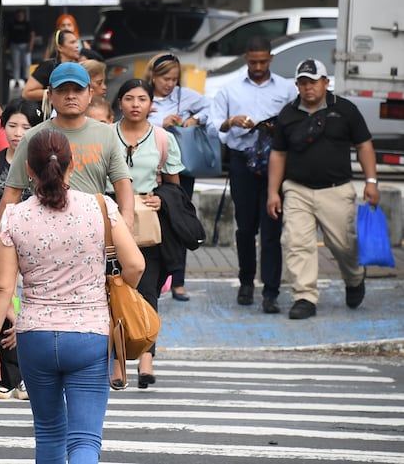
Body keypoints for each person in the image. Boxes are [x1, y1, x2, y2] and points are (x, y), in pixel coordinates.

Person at [0, 130, 144, 464]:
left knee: (50, 433)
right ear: (72, 166)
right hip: (89, 334)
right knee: (84, 439)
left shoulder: (14, 216)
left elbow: (3, 287)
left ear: (29, 169)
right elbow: (136, 265)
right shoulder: (100, 207)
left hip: (35, 336)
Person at [267, 59, 379, 320]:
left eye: (313, 82)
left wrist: (371, 182)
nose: (308, 88)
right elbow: (278, 154)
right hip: (297, 190)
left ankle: (354, 278)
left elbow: (364, 145)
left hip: (336, 190)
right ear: (297, 85)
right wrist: (273, 192)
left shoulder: (346, 110)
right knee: (297, 243)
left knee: (344, 245)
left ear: (326, 82)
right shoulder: (288, 114)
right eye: (303, 83)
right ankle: (304, 296)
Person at [209, 37, 296, 314]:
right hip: (242, 162)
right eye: (252, 61)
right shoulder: (229, 90)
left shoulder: (286, 89)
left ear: (270, 58)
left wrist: (276, 128)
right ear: (246, 58)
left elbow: (296, 122)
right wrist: (231, 121)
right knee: (245, 227)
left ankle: (271, 292)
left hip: (275, 163)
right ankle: (246, 282)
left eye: (262, 61)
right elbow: (213, 126)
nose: (258, 66)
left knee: (272, 229)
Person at [0, 62, 134, 234]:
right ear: (49, 95)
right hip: (42, 235)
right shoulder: (32, 137)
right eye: (62, 90)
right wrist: (1, 243)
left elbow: (122, 183)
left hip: (92, 234)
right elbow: (11, 194)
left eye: (78, 90)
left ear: (90, 94)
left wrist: (127, 223)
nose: (71, 96)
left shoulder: (106, 134)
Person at [113, 79, 184, 388]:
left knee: (148, 288)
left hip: (148, 221)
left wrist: (161, 198)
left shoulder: (162, 138)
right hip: (111, 216)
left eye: (142, 98)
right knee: (112, 288)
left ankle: (146, 358)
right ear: (120, 103)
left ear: (150, 104)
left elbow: (175, 187)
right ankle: (117, 361)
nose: (135, 104)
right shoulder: (106, 136)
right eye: (129, 98)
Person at [0, 97, 41, 400]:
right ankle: (7, 373)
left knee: (30, 305)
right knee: (2, 305)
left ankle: (29, 374)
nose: (18, 132)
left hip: (37, 246)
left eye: (26, 127)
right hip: (1, 243)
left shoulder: (40, 163)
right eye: (13, 125)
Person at [144, 52, 212, 301]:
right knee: (153, 226)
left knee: (179, 222)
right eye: (165, 78)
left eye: (174, 79)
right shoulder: (144, 96)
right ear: (153, 76)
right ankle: (157, 277)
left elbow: (211, 106)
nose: (170, 84)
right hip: (149, 170)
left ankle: (179, 281)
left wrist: (194, 119)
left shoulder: (184, 96)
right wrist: (161, 122)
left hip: (179, 168)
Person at [22, 29, 82, 103]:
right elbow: (27, 93)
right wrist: (56, 93)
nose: (77, 46)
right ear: (60, 48)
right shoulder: (48, 66)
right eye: (72, 42)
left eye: (77, 42)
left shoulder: (79, 67)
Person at [7, 9, 35, 82]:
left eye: (21, 15)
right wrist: (6, 46)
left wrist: (31, 45)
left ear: (24, 16)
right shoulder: (12, 24)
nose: (19, 17)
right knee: (16, 64)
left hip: (25, 45)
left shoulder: (27, 24)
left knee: (27, 63)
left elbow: (32, 35)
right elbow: (8, 36)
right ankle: (16, 80)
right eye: (18, 15)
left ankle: (27, 78)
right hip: (15, 45)